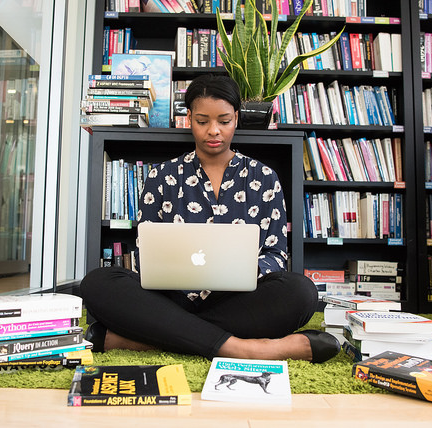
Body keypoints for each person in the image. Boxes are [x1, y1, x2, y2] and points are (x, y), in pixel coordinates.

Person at [80, 74, 340, 363]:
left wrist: (239, 270)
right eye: (202, 121)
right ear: (188, 118)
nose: (213, 131)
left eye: (224, 121)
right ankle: (249, 349)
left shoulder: (264, 178)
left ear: (237, 118)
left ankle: (149, 339)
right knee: (97, 282)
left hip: (237, 300)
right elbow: (147, 256)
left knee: (301, 292)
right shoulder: (162, 176)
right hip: (169, 298)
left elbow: (277, 254)